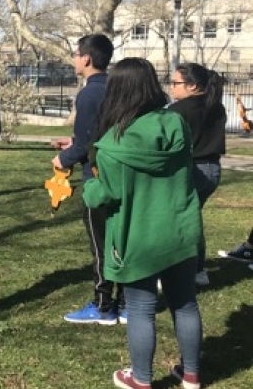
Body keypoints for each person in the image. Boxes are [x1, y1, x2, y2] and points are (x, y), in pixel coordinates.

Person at [81, 58, 202, 389]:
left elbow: (102, 194)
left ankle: (141, 378)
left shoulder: (112, 145)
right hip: (180, 230)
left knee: (140, 308)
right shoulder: (176, 124)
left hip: (137, 237)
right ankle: (192, 374)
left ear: (116, 91)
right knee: (185, 303)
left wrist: (89, 186)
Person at [50, 33, 124, 325]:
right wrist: (75, 144)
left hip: (97, 179)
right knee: (121, 241)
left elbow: (85, 145)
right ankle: (126, 302)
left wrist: (64, 158)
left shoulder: (89, 93)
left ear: (87, 59)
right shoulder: (118, 88)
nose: (73, 60)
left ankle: (103, 305)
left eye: (75, 54)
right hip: (122, 175)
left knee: (100, 244)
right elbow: (99, 135)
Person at [169, 63, 226, 287]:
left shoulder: (178, 111)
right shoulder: (216, 106)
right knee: (193, 219)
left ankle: (186, 270)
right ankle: (197, 270)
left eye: (176, 83)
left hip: (191, 169)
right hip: (213, 169)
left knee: (179, 222)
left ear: (192, 85)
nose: (171, 87)